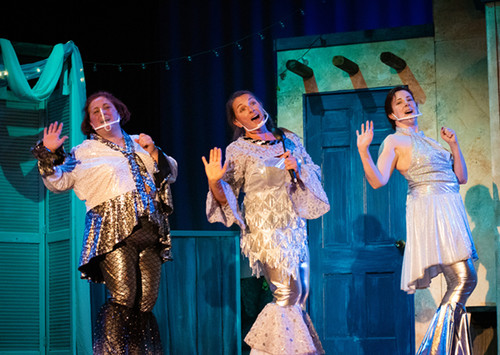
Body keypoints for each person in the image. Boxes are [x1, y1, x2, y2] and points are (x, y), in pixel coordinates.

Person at [31, 91, 177, 354]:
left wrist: (153, 150)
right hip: (113, 230)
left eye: (107, 107)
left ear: (119, 112)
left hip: (150, 228)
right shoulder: (85, 151)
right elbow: (58, 181)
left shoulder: (139, 143)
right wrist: (48, 153)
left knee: (145, 303)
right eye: (95, 111)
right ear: (89, 121)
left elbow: (171, 173)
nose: (102, 113)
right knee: (124, 296)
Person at [202, 90, 330, 355]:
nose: (250, 108)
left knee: (300, 296)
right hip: (265, 228)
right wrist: (215, 181)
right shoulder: (238, 149)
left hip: (293, 227)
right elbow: (226, 195)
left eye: (252, 102)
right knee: (285, 295)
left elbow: (313, 179)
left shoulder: (289, 139)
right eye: (241, 108)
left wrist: (298, 167)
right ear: (237, 122)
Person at [356, 86, 477, 354]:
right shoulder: (394, 141)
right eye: (399, 102)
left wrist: (453, 144)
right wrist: (364, 151)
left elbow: (460, 178)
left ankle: (444, 349)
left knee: (462, 280)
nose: (406, 103)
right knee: (465, 279)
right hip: (431, 212)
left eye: (409, 99)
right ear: (392, 113)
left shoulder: (430, 140)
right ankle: (435, 350)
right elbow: (378, 181)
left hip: (450, 209)